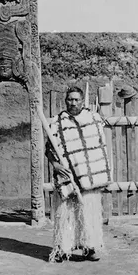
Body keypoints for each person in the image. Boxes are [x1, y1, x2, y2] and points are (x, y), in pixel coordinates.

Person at [46, 86, 112, 262]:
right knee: (65, 214)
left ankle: (89, 248)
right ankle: (62, 249)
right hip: (67, 176)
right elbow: (49, 149)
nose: (73, 103)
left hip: (89, 176)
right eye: (70, 99)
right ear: (65, 100)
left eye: (76, 99)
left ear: (83, 101)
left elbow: (98, 147)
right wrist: (56, 165)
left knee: (88, 213)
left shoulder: (93, 120)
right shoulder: (57, 123)